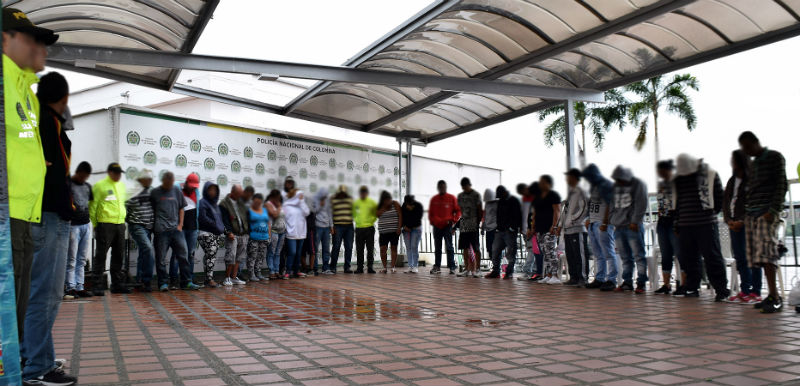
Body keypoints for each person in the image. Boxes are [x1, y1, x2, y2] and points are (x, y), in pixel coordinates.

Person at [4, 6, 57, 352]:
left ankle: (15, 366)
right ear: (4, 40)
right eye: (29, 40)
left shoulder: (25, 89)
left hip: (24, 210)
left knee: (16, 308)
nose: (39, 49)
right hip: (7, 208)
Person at [22, 68, 78, 386]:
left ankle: (35, 355)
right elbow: (54, 174)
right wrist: (69, 208)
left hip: (39, 214)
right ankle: (36, 368)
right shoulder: (48, 122)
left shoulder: (38, 118)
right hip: (49, 215)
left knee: (37, 293)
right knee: (46, 295)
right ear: (64, 97)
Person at [739, 131, 787, 313]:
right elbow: (749, 190)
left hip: (766, 212)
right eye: (744, 149)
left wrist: (773, 211)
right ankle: (770, 295)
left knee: (767, 255)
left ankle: (775, 297)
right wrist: (746, 213)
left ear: (756, 142)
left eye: (748, 147)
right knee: (758, 257)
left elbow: (781, 184)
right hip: (752, 213)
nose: (747, 151)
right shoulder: (752, 164)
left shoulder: (774, 157)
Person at [672, 154, 729, 300]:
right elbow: (676, 202)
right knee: (689, 258)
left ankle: (721, 290)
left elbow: (719, 196)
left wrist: (711, 214)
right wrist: (677, 222)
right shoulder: (677, 178)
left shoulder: (709, 174)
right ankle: (692, 287)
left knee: (712, 257)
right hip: (685, 224)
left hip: (706, 223)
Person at [723, 150, 762, 303]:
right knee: (740, 258)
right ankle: (744, 290)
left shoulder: (752, 179)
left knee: (752, 257)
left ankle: (756, 291)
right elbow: (726, 203)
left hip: (749, 224)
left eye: (733, 159)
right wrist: (729, 220)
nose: (731, 162)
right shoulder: (732, 181)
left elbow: (754, 203)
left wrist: (742, 221)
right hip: (733, 224)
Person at [151, 172, 199, 292]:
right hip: (161, 231)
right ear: (163, 181)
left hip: (176, 230)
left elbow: (181, 208)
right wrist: (154, 227)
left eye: (171, 182)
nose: (169, 185)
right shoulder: (155, 192)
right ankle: (163, 283)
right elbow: (151, 210)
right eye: (167, 182)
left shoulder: (177, 191)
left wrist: (180, 225)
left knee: (184, 255)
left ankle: (186, 282)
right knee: (161, 259)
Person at [90, 163, 129, 296]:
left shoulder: (121, 186)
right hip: (105, 224)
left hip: (120, 224)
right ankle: (97, 285)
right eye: (116, 173)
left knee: (119, 255)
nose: (118, 175)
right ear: (110, 172)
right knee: (101, 255)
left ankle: (116, 284)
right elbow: (93, 206)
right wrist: (95, 224)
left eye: (120, 173)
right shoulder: (99, 186)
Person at [609, 166, 648, 293]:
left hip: (633, 226)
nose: (618, 182)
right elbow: (611, 204)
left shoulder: (638, 184)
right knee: (625, 257)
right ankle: (627, 282)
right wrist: (612, 220)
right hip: (619, 226)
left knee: (638, 255)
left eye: (619, 179)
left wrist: (635, 221)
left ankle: (641, 283)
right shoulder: (615, 187)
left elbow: (641, 203)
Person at [582, 164, 618, 291]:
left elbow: (610, 204)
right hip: (593, 223)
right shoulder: (594, 187)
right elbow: (590, 204)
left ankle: (612, 279)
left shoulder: (606, 185)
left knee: (608, 252)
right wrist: (588, 219)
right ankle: (600, 278)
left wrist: (605, 222)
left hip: (603, 224)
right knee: (598, 254)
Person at [65, 162, 94, 298]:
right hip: (73, 225)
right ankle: (70, 287)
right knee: (71, 258)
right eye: (82, 176)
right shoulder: (68, 184)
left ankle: (80, 286)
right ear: (77, 172)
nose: (84, 179)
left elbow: (91, 203)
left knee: (81, 259)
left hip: (86, 224)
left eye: (86, 177)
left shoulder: (87, 186)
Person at [654, 160, 683, 295]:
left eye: (663, 171)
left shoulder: (677, 183)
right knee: (665, 254)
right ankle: (666, 284)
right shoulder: (661, 185)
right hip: (662, 221)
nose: (661, 174)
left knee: (680, 253)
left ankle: (683, 283)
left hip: (675, 221)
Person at [126, 169, 155, 291]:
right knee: (148, 248)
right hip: (137, 225)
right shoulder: (131, 192)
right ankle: (146, 280)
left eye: (150, 179)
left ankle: (139, 280)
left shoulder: (152, 191)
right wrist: (131, 221)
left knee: (144, 253)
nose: (149, 181)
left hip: (149, 226)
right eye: (147, 179)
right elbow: (124, 209)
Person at [485, 186, 521, 279]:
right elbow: (499, 215)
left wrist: (512, 227)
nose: (499, 198)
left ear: (504, 193)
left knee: (511, 252)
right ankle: (496, 271)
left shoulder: (513, 200)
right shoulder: (501, 201)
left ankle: (509, 272)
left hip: (510, 231)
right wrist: (498, 227)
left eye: (500, 196)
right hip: (500, 230)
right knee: (495, 251)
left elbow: (517, 215)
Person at [531, 175, 562, 284]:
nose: (541, 184)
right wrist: (533, 226)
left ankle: (555, 275)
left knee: (550, 252)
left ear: (549, 183)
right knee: (544, 253)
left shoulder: (553, 195)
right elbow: (535, 212)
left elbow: (557, 211)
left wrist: (554, 226)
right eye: (540, 182)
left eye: (543, 182)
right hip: (540, 228)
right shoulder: (538, 196)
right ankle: (548, 275)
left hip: (550, 228)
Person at [561, 169, 588, 286]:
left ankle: (582, 278)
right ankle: (574, 277)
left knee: (579, 255)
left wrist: (573, 219)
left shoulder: (580, 191)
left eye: (568, 176)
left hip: (577, 228)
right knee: (570, 255)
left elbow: (584, 208)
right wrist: (562, 225)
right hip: (567, 230)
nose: (566, 179)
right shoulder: (571, 192)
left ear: (574, 177)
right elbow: (566, 210)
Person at [428, 180, 461, 274]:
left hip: (448, 226)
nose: (442, 189)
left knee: (449, 246)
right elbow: (430, 213)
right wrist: (433, 222)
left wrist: (453, 220)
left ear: (446, 187)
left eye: (444, 187)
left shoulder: (452, 198)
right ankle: (437, 267)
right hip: (437, 227)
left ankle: (452, 267)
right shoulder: (434, 199)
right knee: (437, 247)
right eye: (441, 187)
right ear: (438, 188)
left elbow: (458, 211)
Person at [220, 184, 249, 285]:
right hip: (232, 234)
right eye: (238, 194)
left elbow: (246, 217)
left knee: (239, 257)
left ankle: (234, 277)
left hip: (243, 234)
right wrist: (228, 232)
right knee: (231, 256)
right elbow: (223, 220)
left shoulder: (241, 203)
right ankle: (227, 278)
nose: (240, 196)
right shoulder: (224, 203)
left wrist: (247, 231)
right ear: (232, 192)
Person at [175, 173, 200, 288]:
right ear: (186, 183)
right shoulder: (177, 189)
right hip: (180, 228)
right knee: (177, 255)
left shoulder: (196, 192)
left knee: (190, 254)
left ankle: (189, 280)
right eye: (192, 186)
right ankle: (174, 280)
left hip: (193, 228)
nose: (193, 188)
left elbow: (197, 209)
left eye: (195, 186)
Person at [197, 181, 225, 287]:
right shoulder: (202, 202)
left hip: (215, 233)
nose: (212, 192)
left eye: (214, 190)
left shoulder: (215, 205)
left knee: (210, 255)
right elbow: (202, 218)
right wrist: (215, 224)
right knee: (211, 254)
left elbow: (219, 219)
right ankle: (209, 280)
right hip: (205, 233)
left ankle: (207, 279)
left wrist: (221, 228)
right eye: (210, 189)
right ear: (205, 190)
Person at [284, 177, 311, 278]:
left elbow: (307, 212)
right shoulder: (287, 205)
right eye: (300, 196)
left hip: (301, 233)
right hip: (291, 233)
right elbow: (284, 218)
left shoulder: (302, 206)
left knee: (299, 253)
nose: (301, 197)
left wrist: (301, 202)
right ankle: (288, 271)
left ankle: (296, 271)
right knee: (292, 252)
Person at [456, 177, 483, 278]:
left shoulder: (476, 195)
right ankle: (467, 269)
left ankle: (478, 269)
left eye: (466, 186)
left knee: (476, 248)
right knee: (465, 247)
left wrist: (478, 222)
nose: (465, 188)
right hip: (464, 225)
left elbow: (480, 210)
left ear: (469, 185)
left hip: (474, 225)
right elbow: (460, 210)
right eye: (463, 187)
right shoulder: (460, 196)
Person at [354, 186, 378, 274]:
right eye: (361, 193)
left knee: (370, 249)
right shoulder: (356, 203)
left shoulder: (372, 202)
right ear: (360, 193)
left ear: (367, 193)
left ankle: (370, 267)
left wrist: (370, 221)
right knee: (359, 249)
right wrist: (358, 221)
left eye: (364, 193)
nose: (363, 194)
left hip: (369, 228)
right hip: (359, 228)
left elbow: (375, 214)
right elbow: (353, 214)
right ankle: (359, 267)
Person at [377, 191, 403, 273]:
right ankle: (384, 268)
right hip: (383, 232)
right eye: (386, 200)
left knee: (394, 248)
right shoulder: (379, 206)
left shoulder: (395, 204)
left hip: (394, 231)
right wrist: (382, 209)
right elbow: (377, 215)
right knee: (382, 249)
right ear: (382, 200)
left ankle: (393, 267)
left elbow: (400, 215)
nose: (388, 201)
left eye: (389, 199)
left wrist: (399, 228)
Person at [330, 185, 354, 274]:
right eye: (341, 192)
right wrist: (331, 226)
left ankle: (347, 267)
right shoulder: (333, 199)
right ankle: (333, 267)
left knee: (349, 247)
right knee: (336, 247)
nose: (342, 194)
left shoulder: (350, 199)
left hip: (349, 226)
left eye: (344, 192)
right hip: (337, 226)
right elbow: (330, 213)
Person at [246, 193, 270, 281]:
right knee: (252, 256)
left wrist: (269, 235)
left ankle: (258, 272)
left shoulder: (265, 210)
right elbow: (246, 224)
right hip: (253, 237)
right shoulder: (249, 211)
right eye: (256, 202)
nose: (258, 204)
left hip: (264, 237)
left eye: (259, 202)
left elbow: (268, 223)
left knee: (261, 256)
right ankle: (251, 274)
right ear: (253, 201)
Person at [265, 190, 287, 279]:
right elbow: (274, 215)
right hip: (273, 231)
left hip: (282, 231)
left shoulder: (279, 204)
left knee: (278, 253)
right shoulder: (268, 204)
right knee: (272, 252)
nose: (278, 199)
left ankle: (277, 271)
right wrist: (279, 207)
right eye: (277, 198)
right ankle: (271, 271)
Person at [312, 187, 334, 274]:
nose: (325, 197)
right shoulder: (315, 200)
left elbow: (330, 214)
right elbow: (313, 212)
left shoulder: (328, 201)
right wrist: (320, 205)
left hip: (326, 228)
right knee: (315, 248)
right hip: (318, 227)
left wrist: (331, 226)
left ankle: (325, 268)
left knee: (326, 249)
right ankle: (315, 268)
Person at [401, 195, 423, 273]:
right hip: (406, 229)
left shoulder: (418, 206)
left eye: (409, 204)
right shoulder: (404, 206)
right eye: (406, 203)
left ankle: (415, 266)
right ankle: (410, 266)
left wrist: (412, 210)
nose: (407, 205)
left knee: (414, 247)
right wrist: (404, 226)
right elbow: (401, 217)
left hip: (416, 229)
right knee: (408, 247)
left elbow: (418, 219)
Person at [482, 189, 498, 261]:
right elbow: (485, 216)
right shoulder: (487, 204)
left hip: (495, 228)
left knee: (495, 248)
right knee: (489, 248)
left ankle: (496, 264)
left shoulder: (497, 203)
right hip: (488, 229)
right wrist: (483, 227)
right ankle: (493, 262)